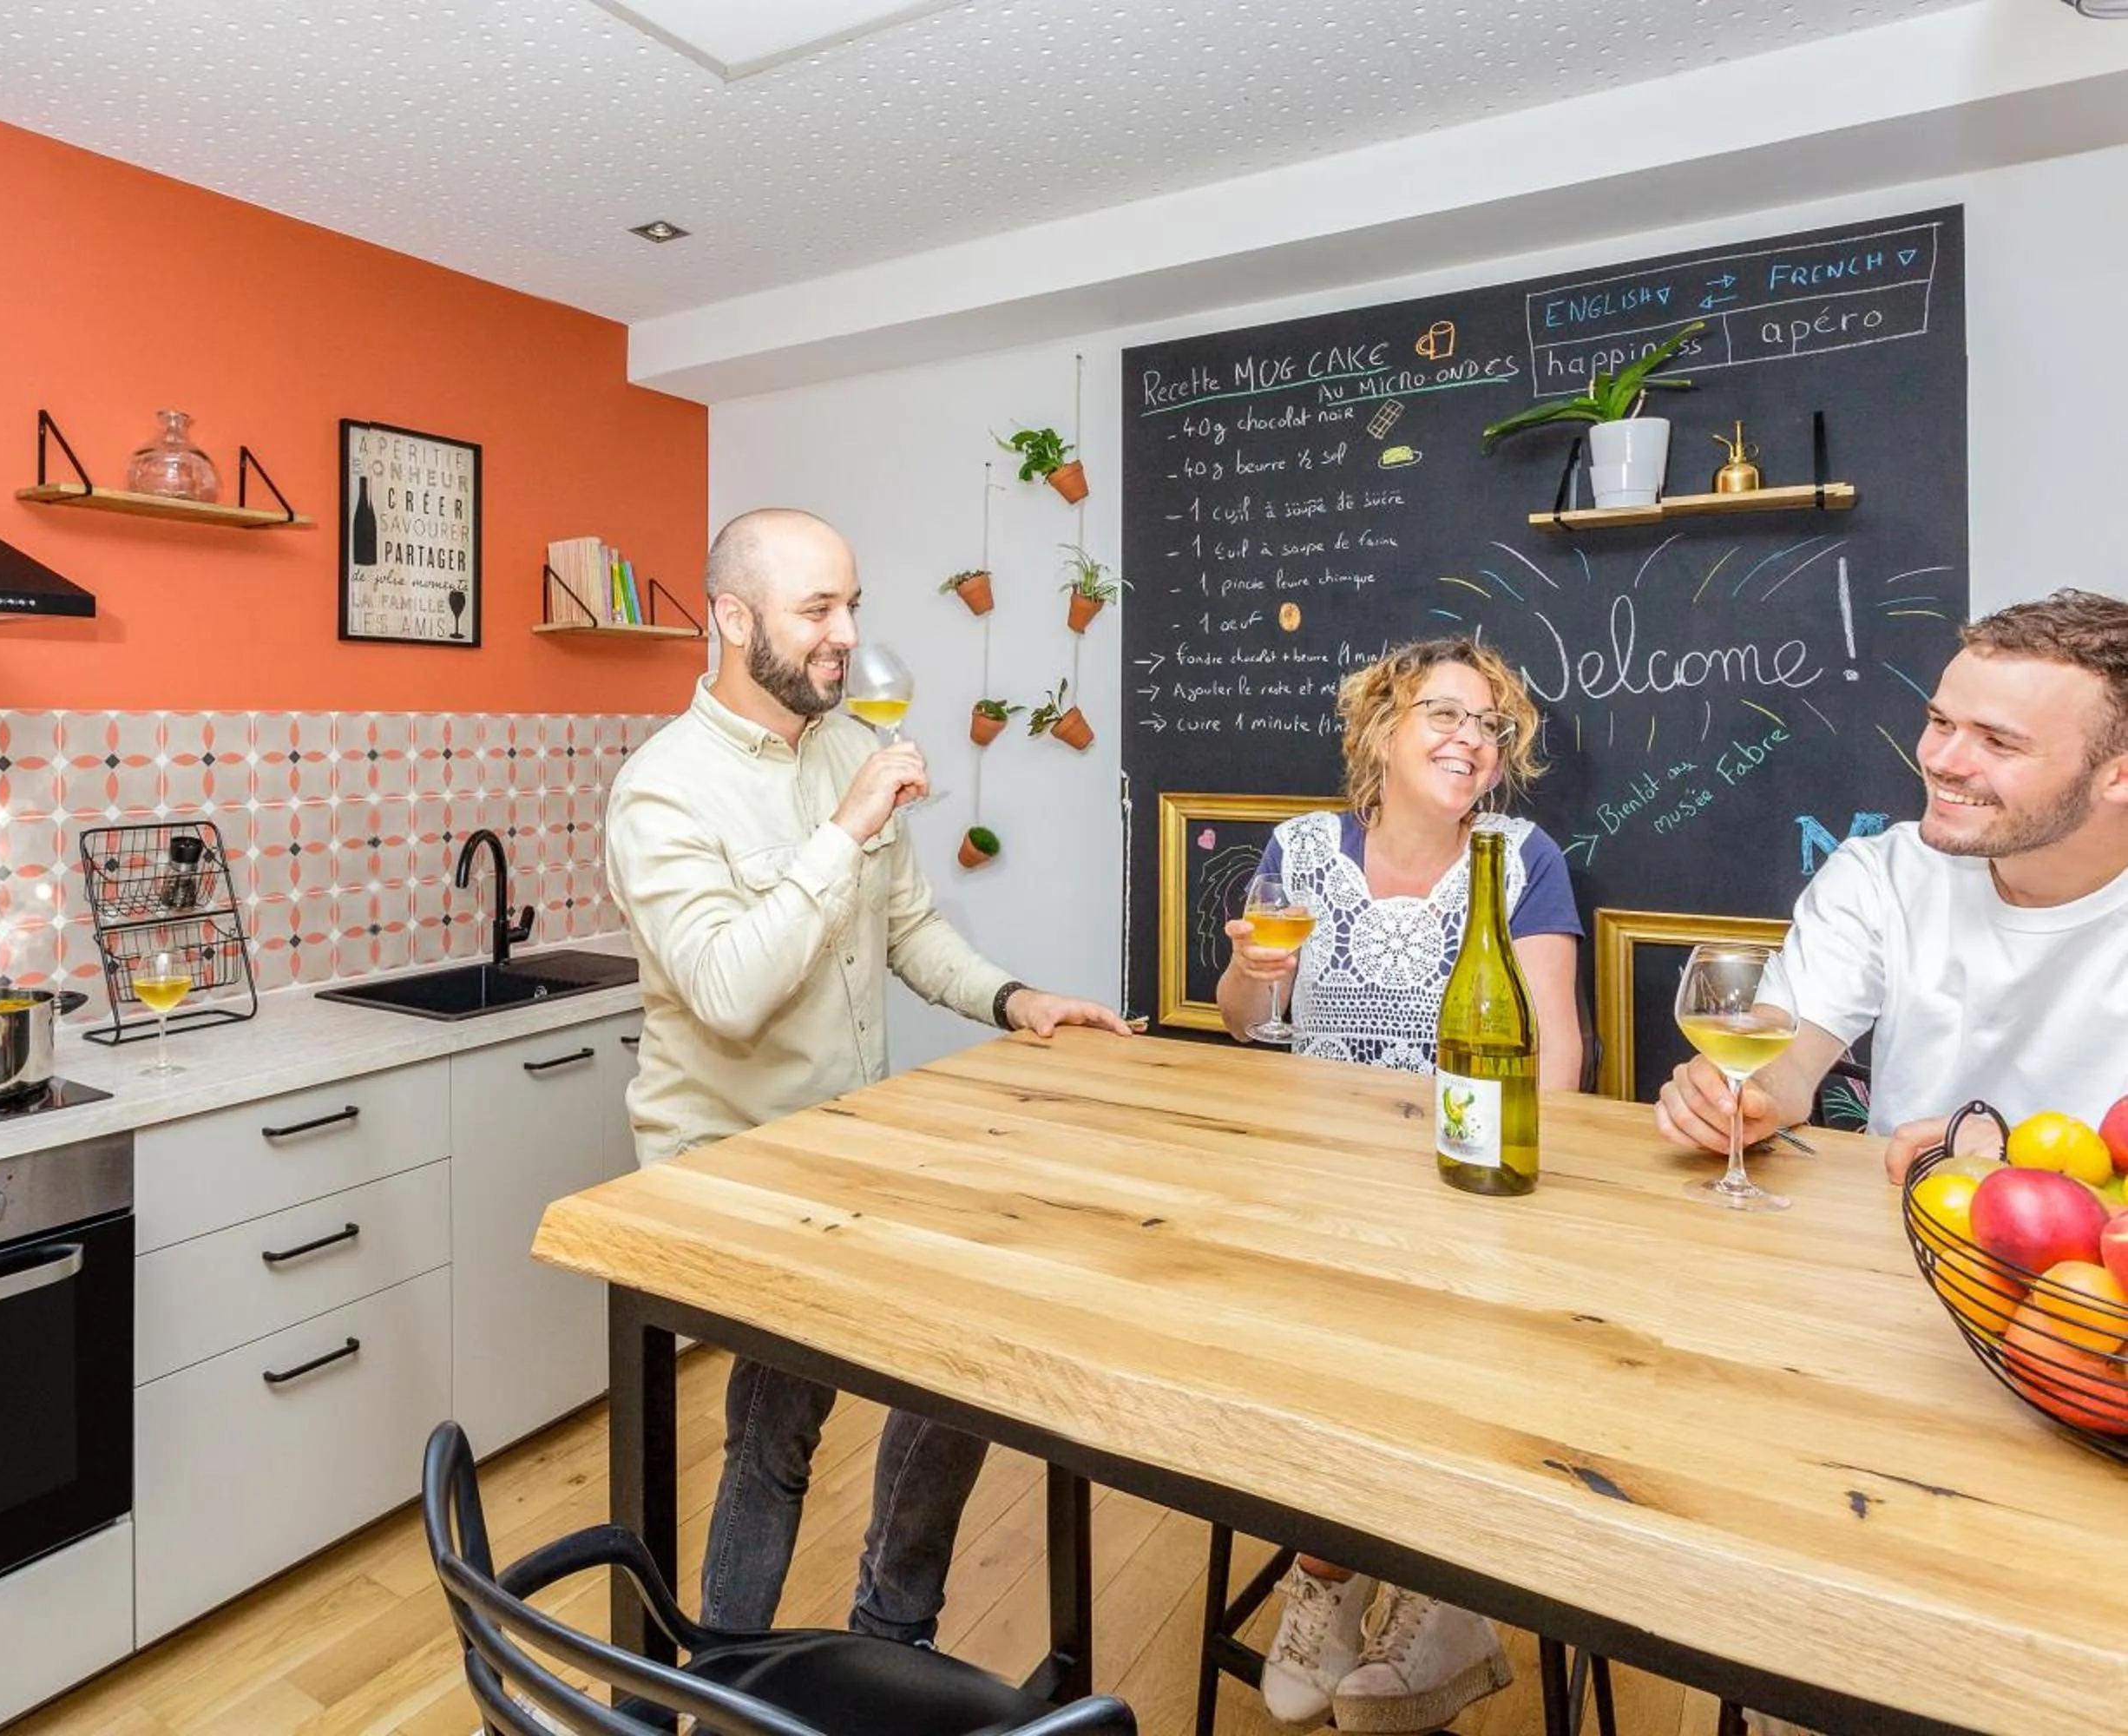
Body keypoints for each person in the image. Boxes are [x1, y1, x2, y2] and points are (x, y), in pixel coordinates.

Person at [605, 506, 1129, 1647]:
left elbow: (908, 929)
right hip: (725, 1173)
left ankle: (891, 1636)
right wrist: (840, 832)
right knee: (778, 1429)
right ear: (734, 620)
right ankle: (730, 1678)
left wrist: (1013, 998)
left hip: (848, 1144)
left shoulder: (846, 744)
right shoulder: (663, 790)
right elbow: (730, 994)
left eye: (852, 605)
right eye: (818, 611)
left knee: (968, 1357)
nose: (846, 635)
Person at [1216, 635, 1582, 1736]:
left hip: (1465, 1180)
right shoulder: (1297, 847)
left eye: (1490, 726)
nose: (1472, 739)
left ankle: (1407, 1583)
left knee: (1449, 1351)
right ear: (1381, 728)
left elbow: (1557, 1049)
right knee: (1309, 1356)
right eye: (1446, 714)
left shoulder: (1522, 858)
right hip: (1318, 1176)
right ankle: (1343, 1572)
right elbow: (1247, 1021)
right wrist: (1253, 972)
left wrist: (1512, 1192)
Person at [1654, 589, 2128, 1187]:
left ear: (2120, 775)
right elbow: (1791, 1051)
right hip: (1898, 1234)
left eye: (1998, 741)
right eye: (1940, 723)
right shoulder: (1881, 874)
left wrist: (2016, 1154)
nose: (1943, 761)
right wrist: (1742, 1096)